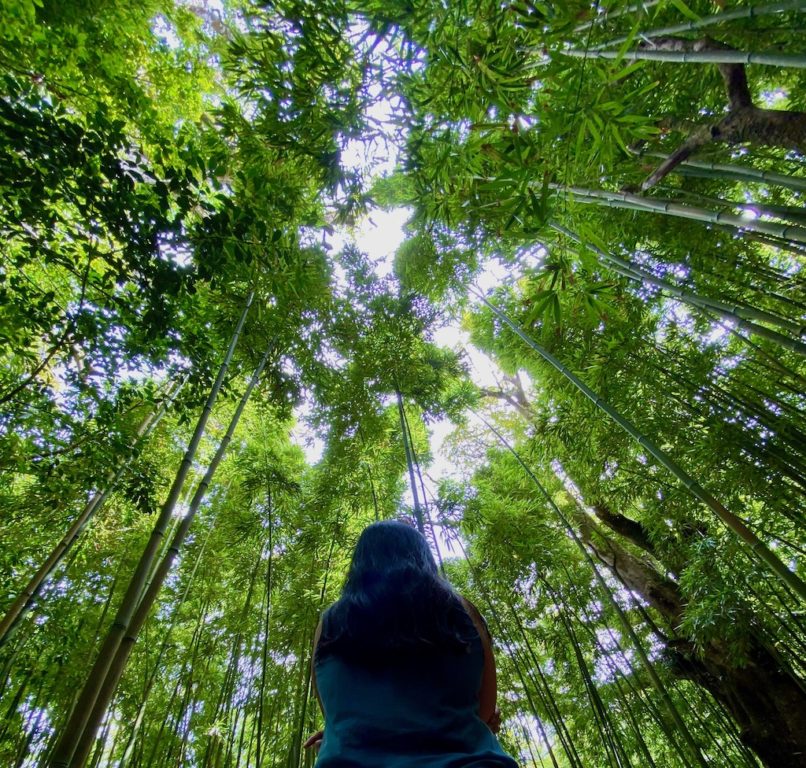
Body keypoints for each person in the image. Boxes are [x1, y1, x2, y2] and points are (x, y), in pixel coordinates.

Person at [304, 519, 519, 767]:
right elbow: (485, 710)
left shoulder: (329, 623)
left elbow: (333, 712)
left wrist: (348, 737)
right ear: (424, 557)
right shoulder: (463, 611)